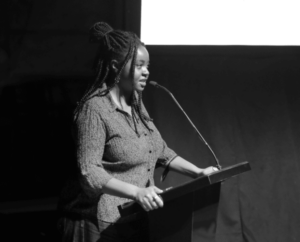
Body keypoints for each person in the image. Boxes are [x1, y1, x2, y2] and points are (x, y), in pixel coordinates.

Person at [57, 22, 218, 242]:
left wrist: (198, 173)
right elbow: (90, 173)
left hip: (132, 218)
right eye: (139, 65)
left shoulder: (135, 104)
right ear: (115, 66)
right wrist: (137, 192)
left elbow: (160, 150)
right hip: (93, 225)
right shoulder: (94, 109)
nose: (147, 71)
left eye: (148, 65)